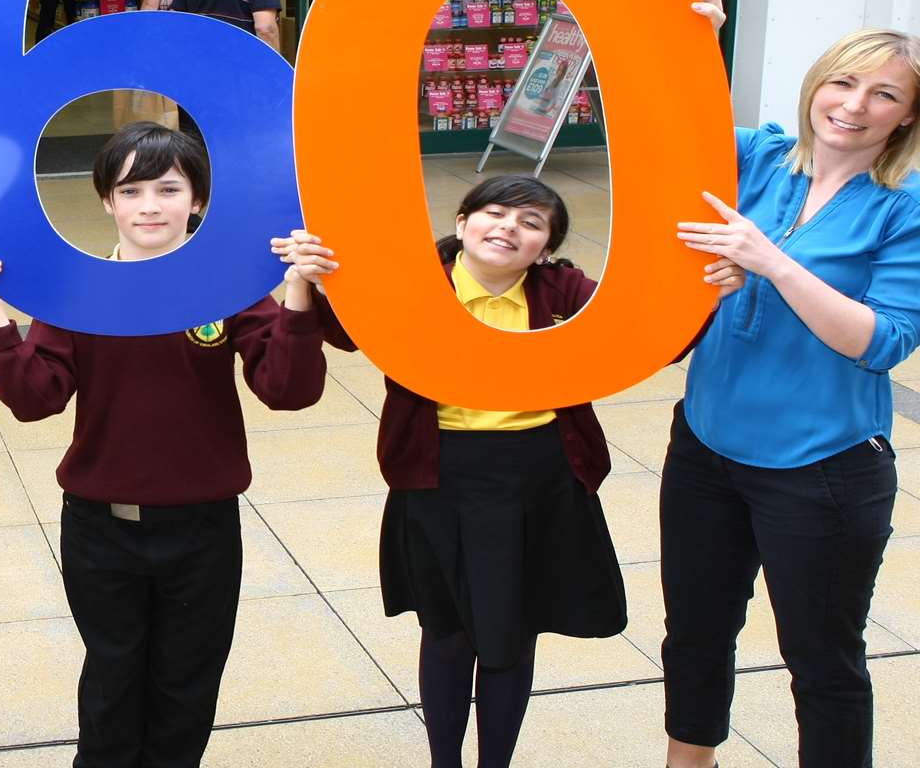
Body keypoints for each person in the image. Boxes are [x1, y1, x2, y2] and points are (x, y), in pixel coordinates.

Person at [278, 177, 744, 768]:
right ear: (463, 221)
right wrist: (313, 279)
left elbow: (648, 336)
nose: (507, 228)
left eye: (530, 224)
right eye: (493, 212)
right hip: (436, 474)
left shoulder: (559, 288)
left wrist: (706, 295)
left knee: (512, 633)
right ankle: (443, 759)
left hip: (539, 477)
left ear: (545, 248)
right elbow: (342, 329)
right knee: (445, 635)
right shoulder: (418, 278)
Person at [0, 121, 326, 767]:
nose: (150, 205)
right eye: (132, 190)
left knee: (186, 686)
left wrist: (297, 291)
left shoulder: (227, 287)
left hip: (202, 526)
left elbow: (288, 390)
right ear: (107, 202)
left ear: (198, 201)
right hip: (101, 528)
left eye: (168, 189)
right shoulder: (79, 289)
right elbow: (34, 400)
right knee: (112, 682)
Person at [662, 0, 920, 768]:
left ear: (906, 117)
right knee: (697, 636)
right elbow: (676, 130)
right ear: (817, 86)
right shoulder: (761, 155)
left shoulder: (901, 207)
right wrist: (697, 38)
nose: (854, 104)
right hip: (707, 446)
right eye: (843, 81)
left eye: (884, 94)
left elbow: (881, 341)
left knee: (822, 662)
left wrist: (769, 262)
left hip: (822, 470)